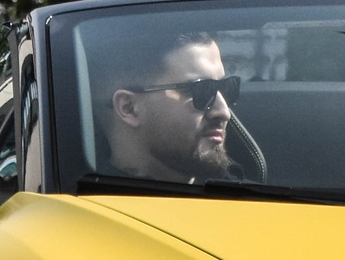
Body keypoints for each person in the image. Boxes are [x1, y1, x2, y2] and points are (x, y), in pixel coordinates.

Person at [98, 29, 239, 183]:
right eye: (201, 90)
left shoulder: (245, 200)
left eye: (226, 87)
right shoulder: (84, 202)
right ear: (129, 108)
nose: (224, 112)